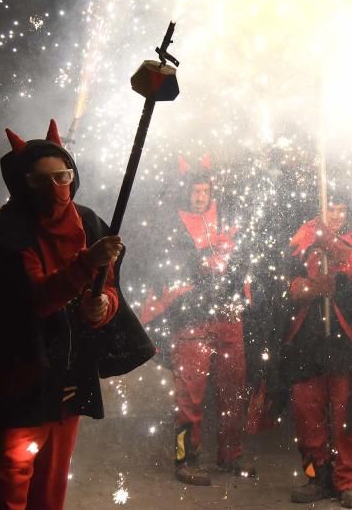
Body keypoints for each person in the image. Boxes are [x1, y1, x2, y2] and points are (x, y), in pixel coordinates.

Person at [0, 120, 154, 510]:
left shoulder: (89, 222)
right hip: (17, 389)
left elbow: (108, 287)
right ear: (21, 182)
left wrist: (101, 307)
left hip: (66, 387)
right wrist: (86, 264)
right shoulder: (8, 233)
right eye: (41, 180)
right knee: (9, 493)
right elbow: (36, 299)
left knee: (49, 496)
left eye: (62, 176)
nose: (55, 188)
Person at [140, 155, 256, 485]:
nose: (201, 196)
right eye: (196, 190)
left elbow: (242, 260)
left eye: (205, 190)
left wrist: (230, 271)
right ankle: (185, 458)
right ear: (186, 192)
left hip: (228, 318)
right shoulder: (171, 225)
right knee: (190, 395)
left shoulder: (227, 219)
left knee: (233, 391)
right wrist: (200, 264)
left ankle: (230, 455)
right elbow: (166, 269)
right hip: (192, 323)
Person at [281, 192, 352, 509]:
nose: (336, 216)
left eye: (342, 210)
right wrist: (310, 287)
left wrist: (338, 261)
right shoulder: (303, 239)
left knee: (346, 415)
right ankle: (317, 475)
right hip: (307, 342)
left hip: (346, 345)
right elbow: (283, 283)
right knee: (307, 413)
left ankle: (348, 481)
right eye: (330, 210)